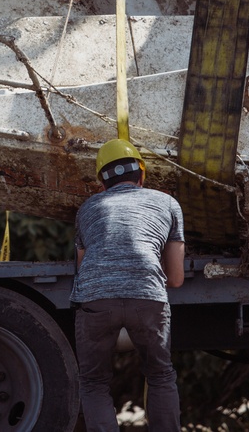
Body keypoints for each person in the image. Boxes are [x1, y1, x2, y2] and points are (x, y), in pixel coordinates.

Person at [71, 138, 186, 431]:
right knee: (160, 375)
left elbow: (83, 268)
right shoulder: (168, 204)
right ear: (142, 175)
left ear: (102, 184)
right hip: (146, 296)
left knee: (94, 382)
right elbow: (174, 278)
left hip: (96, 299)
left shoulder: (86, 209)